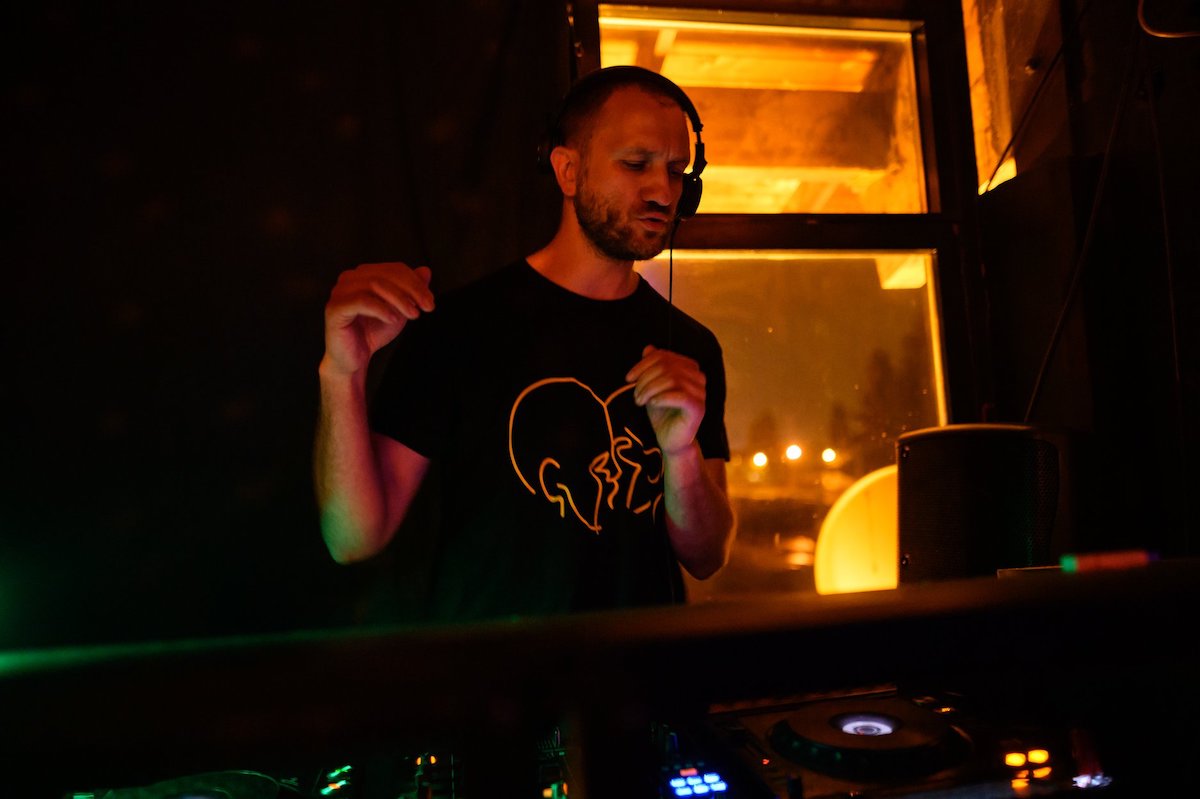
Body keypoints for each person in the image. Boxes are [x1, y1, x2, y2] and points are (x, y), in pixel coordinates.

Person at [314, 66, 735, 623]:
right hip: (496, 673)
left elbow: (707, 556)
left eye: (677, 172)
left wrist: (680, 454)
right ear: (568, 170)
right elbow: (352, 538)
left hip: (640, 673)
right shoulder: (459, 327)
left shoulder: (692, 347)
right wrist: (341, 374)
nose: (663, 191)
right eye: (636, 164)